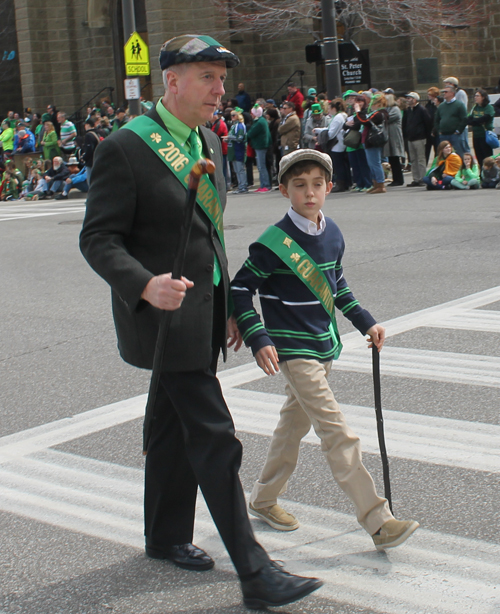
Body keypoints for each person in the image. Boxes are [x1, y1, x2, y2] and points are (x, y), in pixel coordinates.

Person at [79, 34, 322, 610]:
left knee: (169, 427)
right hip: (161, 317)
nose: (220, 90)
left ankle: (165, 535)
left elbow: (207, 235)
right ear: (172, 82)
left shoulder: (208, 139)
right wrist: (143, 283)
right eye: (208, 77)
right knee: (214, 438)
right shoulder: (125, 147)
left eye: (221, 77)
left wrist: (232, 306)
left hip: (204, 312)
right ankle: (255, 570)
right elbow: (98, 238)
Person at [231, 149, 419, 551]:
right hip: (292, 351)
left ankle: (263, 499)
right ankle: (378, 520)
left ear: (329, 187)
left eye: (317, 184)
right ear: (284, 190)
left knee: (292, 427)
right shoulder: (272, 242)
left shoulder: (332, 232)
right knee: (337, 431)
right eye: (299, 185)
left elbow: (337, 285)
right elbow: (240, 290)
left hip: (323, 345)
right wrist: (258, 337)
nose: (309, 192)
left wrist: (366, 321)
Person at [355, 93, 389, 194]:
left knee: (375, 163)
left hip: (373, 140)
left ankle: (380, 184)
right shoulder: (380, 113)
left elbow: (365, 121)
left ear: (378, 104)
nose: (371, 105)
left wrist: (358, 111)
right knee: (372, 163)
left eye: (373, 103)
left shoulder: (379, 113)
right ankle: (376, 184)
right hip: (370, 140)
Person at [403, 92, 432, 187]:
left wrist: (426, 136)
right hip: (410, 138)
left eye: (410, 98)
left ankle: (422, 178)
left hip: (420, 138)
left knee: (421, 159)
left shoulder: (422, 110)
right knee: (413, 160)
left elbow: (428, 123)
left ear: (415, 99)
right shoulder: (408, 111)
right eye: (407, 98)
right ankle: (415, 178)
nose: (408, 100)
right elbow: (405, 123)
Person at [324, 98, 351, 192]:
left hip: (337, 144)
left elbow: (331, 133)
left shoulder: (337, 118)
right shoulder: (343, 115)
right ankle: (347, 182)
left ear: (334, 108)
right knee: (343, 164)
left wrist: (321, 131)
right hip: (342, 143)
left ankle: (341, 183)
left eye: (329, 108)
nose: (328, 110)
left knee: (338, 165)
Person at [434, 86, 467, 160]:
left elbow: (464, 119)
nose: (444, 93)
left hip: (455, 135)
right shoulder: (441, 106)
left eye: (446, 92)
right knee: (444, 155)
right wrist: (439, 130)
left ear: (452, 93)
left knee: (458, 154)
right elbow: (436, 120)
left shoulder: (459, 105)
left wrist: (458, 130)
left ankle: (459, 170)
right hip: (443, 135)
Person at [465, 89, 495, 168]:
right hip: (476, 135)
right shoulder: (475, 107)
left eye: (477, 96)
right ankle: (481, 174)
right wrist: (475, 121)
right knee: (479, 156)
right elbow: (468, 120)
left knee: (487, 156)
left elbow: (484, 119)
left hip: (485, 136)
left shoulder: (489, 108)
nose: (475, 97)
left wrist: (475, 121)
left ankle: (490, 173)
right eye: (475, 96)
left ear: (483, 97)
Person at [247, 104, 272, 192]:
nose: (251, 114)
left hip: (261, 146)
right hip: (260, 145)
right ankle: (263, 184)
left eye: (252, 113)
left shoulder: (259, 122)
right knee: (261, 166)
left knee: (261, 166)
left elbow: (251, 133)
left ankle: (266, 184)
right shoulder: (261, 121)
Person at [384, 94, 405, 187]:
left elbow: (387, 118)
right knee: (392, 159)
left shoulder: (395, 109)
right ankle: (396, 178)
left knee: (395, 159)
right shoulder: (387, 109)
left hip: (395, 137)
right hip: (390, 137)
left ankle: (399, 179)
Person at [226, 108, 248, 194]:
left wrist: (229, 138)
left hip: (239, 150)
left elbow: (240, 138)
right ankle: (240, 185)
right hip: (233, 150)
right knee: (236, 169)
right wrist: (227, 140)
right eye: (231, 115)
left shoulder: (240, 125)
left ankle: (243, 186)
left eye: (233, 115)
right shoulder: (233, 125)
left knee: (240, 169)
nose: (232, 117)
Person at [211, 110, 229, 188]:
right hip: (222, 148)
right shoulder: (217, 123)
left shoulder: (219, 124)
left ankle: (225, 185)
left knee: (223, 168)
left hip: (222, 149)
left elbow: (213, 135)